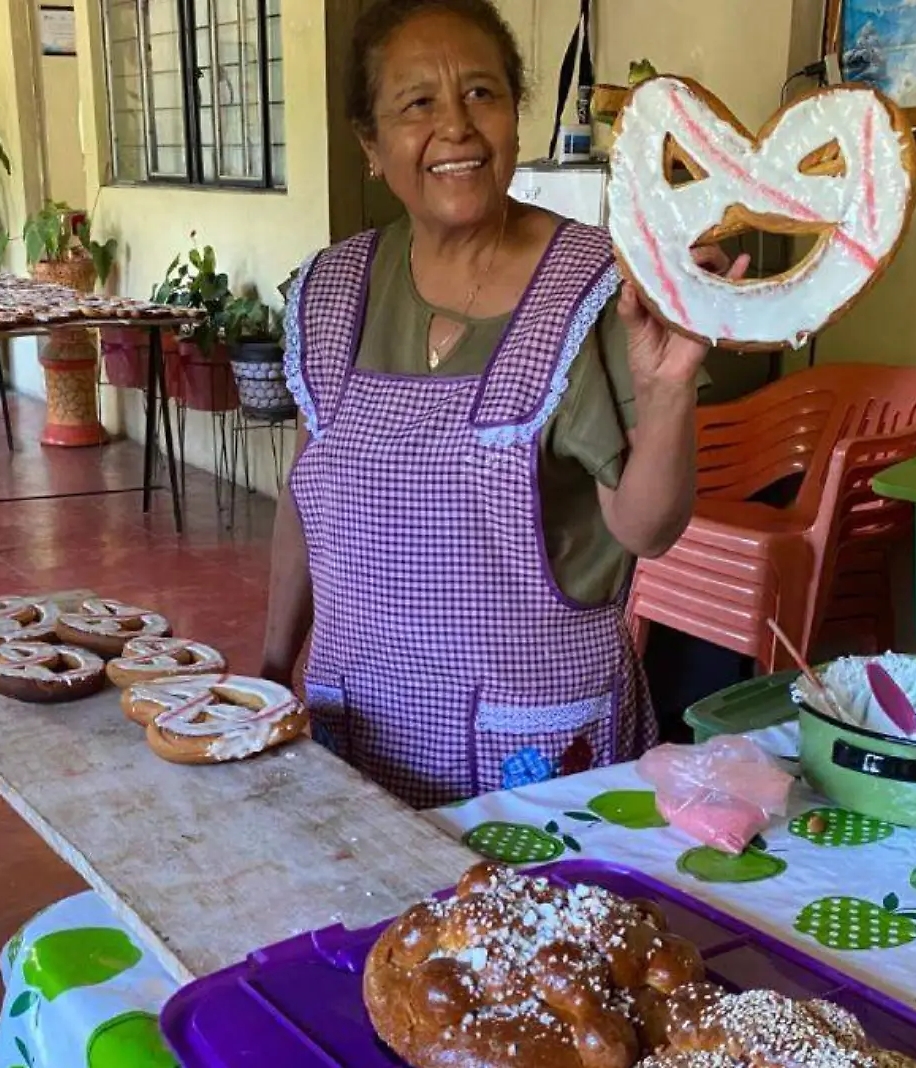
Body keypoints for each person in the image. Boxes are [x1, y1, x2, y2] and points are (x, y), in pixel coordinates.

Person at [260, 0, 750, 808]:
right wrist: (275, 667)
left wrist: (666, 392)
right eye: (418, 103)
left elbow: (645, 528)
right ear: (371, 145)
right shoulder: (332, 291)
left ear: (514, 122)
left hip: (534, 745)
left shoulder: (598, 283)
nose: (456, 127)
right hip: (357, 726)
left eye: (481, 94)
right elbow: (304, 501)